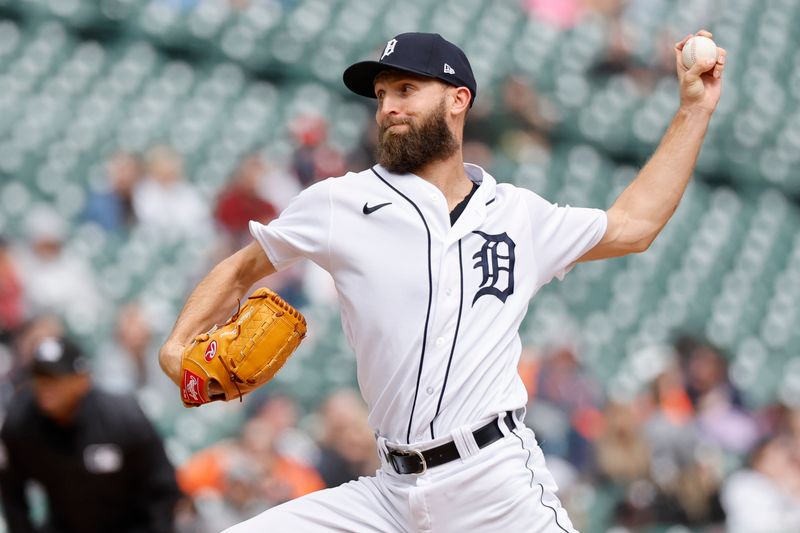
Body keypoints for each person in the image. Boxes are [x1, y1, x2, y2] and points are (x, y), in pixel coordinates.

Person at [159, 30, 726, 532]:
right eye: (382, 95)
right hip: (388, 493)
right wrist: (177, 343)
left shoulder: (518, 215)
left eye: (406, 90)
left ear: (459, 100)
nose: (387, 107)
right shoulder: (342, 202)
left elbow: (635, 225)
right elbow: (240, 268)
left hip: (494, 484)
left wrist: (693, 112)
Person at [0, 336, 181, 533]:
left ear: (82, 380)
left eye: (55, 378)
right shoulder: (20, 425)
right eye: (40, 378)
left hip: (131, 525)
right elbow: (13, 495)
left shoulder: (123, 418)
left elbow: (163, 487)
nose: (46, 388)